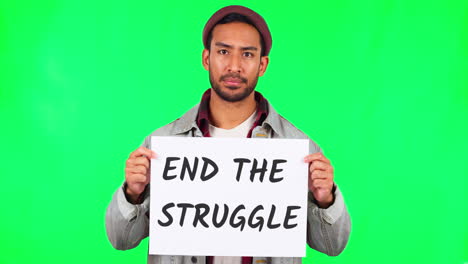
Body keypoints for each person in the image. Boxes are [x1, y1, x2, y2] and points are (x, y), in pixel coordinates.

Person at [106, 5, 350, 264]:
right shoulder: (162, 145)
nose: (234, 66)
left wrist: (326, 199)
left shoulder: (299, 148)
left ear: (262, 64)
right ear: (206, 58)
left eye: (247, 54)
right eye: (223, 51)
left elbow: (332, 246)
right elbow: (121, 241)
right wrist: (133, 193)